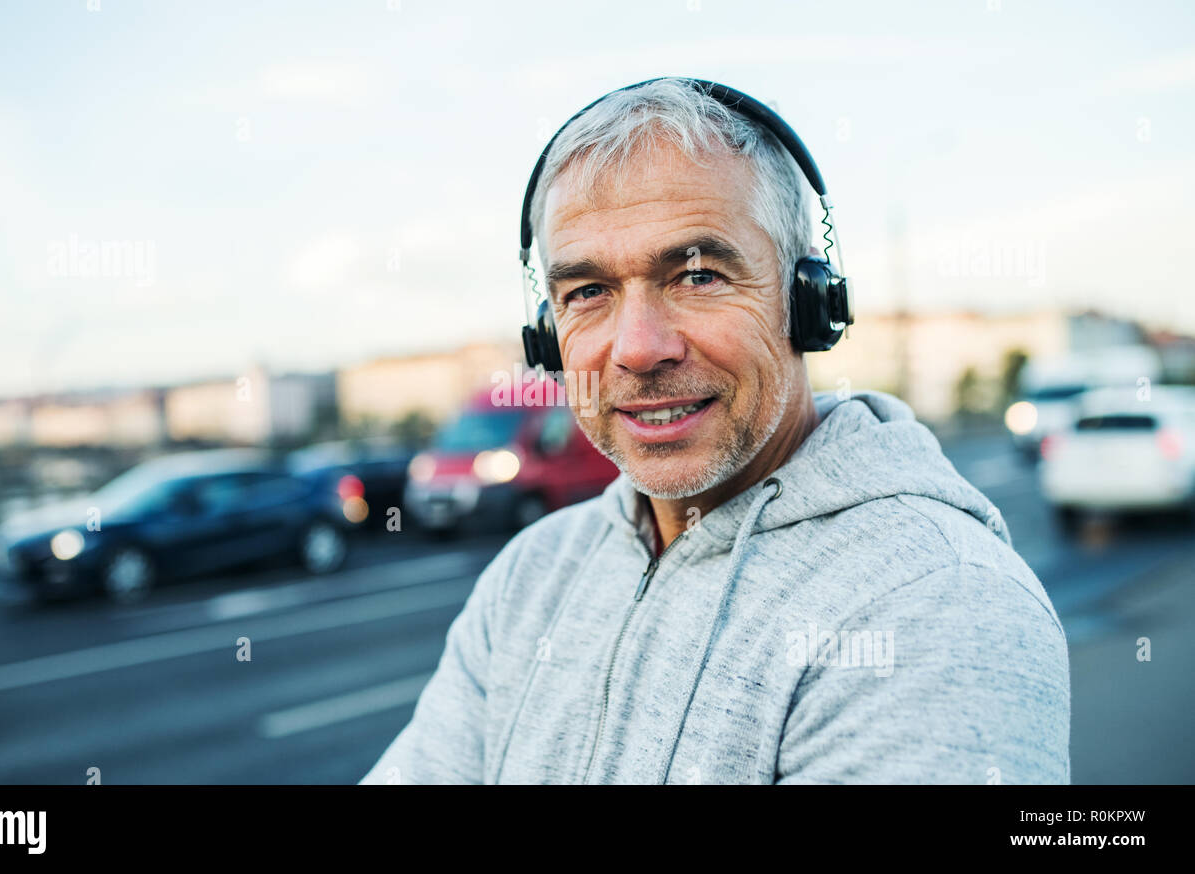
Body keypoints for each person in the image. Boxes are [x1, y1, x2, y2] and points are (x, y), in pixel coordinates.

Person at [360, 77, 1069, 784]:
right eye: (588, 293)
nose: (638, 348)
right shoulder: (527, 579)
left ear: (807, 301)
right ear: (548, 337)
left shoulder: (937, 602)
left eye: (697, 276)